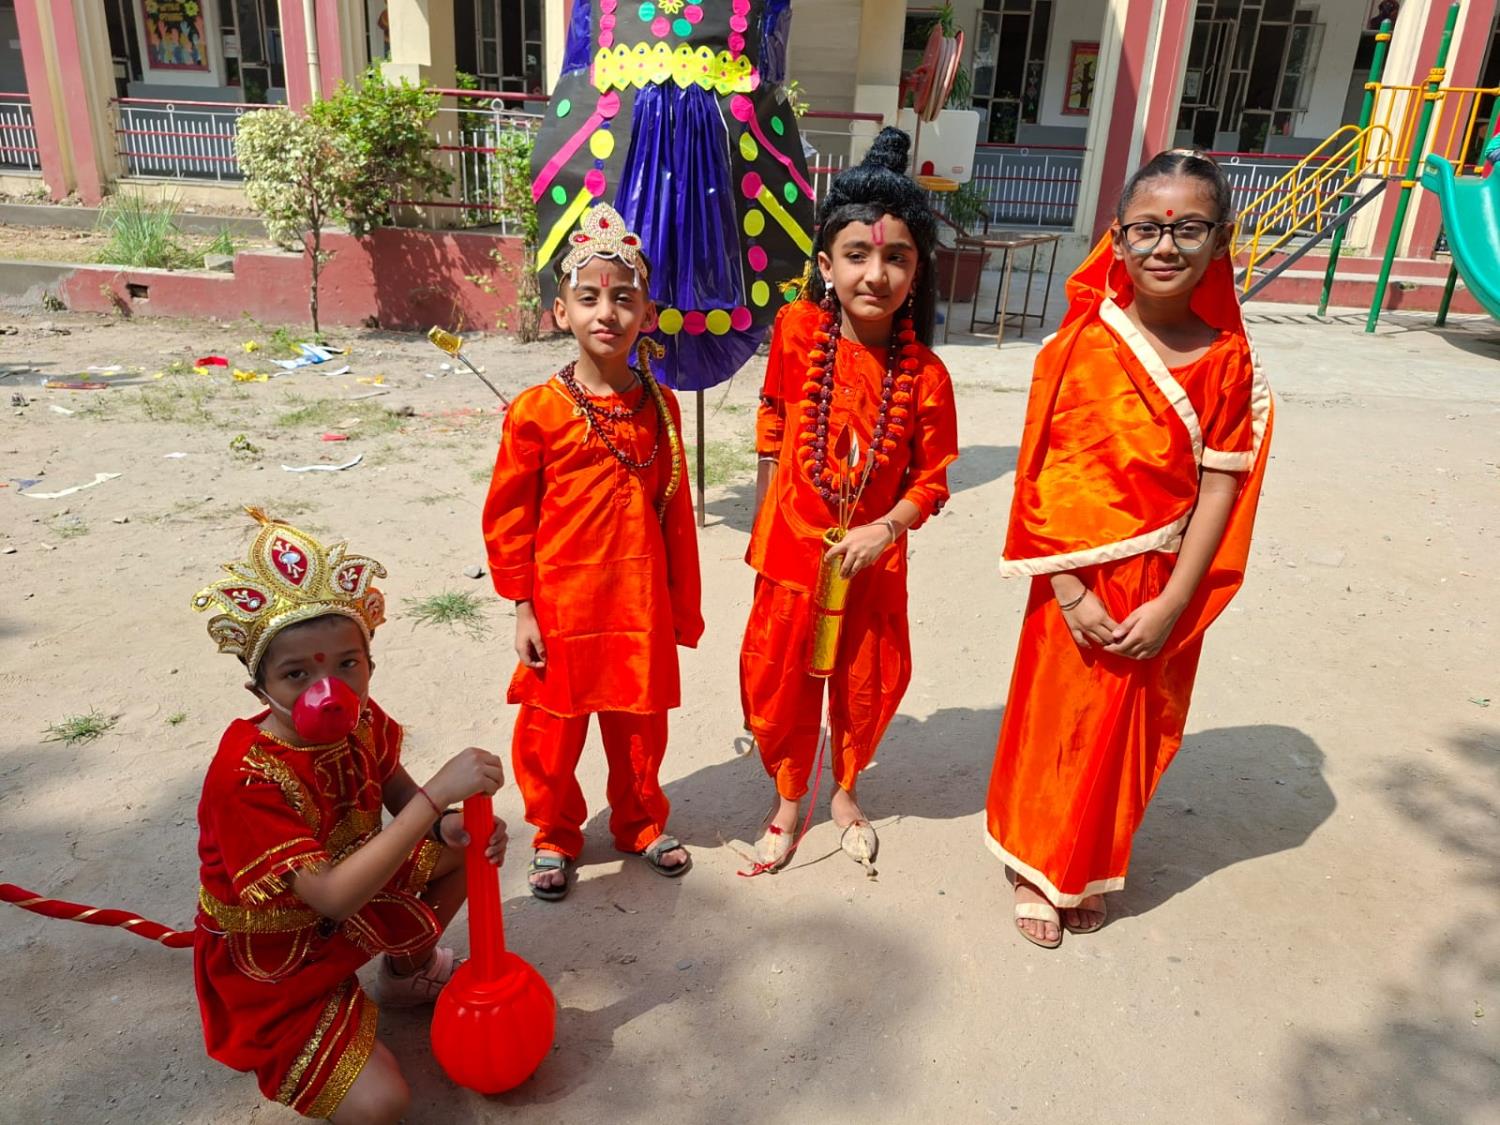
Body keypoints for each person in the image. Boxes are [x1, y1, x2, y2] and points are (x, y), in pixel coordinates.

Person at [984, 149, 1274, 948]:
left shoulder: (1228, 360)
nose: (1166, 246)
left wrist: (1176, 598)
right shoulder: (1076, 349)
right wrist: (1072, 590)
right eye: (1147, 227)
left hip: (1161, 581)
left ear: (1221, 240)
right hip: (1070, 575)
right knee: (1058, 722)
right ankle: (1040, 865)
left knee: (1129, 729)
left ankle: (1089, 863)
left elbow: (1221, 487)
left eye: (1189, 228)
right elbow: (1038, 476)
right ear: (1116, 239)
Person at [190, 509, 509, 1123]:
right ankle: (324, 1017)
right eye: (296, 673)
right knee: (384, 1105)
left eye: (347, 663)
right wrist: (436, 797)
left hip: (351, 899)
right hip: (277, 966)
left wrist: (449, 825)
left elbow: (393, 783)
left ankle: (406, 974)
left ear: (369, 661)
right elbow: (331, 898)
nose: (328, 687)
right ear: (258, 689)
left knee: (473, 842)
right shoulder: (246, 776)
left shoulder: (360, 717)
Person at [740, 127, 959, 872]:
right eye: (858, 255)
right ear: (826, 265)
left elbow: (931, 481)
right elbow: (774, 417)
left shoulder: (926, 377)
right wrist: (766, 518)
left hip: (874, 558)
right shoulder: (798, 331)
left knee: (860, 681)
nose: (876, 273)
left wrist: (884, 528)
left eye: (896, 257)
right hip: (793, 548)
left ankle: (846, 790)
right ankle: (788, 799)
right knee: (786, 676)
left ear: (916, 270)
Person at [483, 202, 703, 901]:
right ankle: (552, 833)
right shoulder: (536, 410)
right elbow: (509, 517)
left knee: (640, 723)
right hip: (562, 602)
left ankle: (639, 822)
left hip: (636, 599)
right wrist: (523, 607)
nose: (606, 312)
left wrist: (678, 603)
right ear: (560, 311)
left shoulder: (660, 407)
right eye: (589, 297)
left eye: (623, 298)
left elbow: (676, 517)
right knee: (552, 729)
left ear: (648, 314)